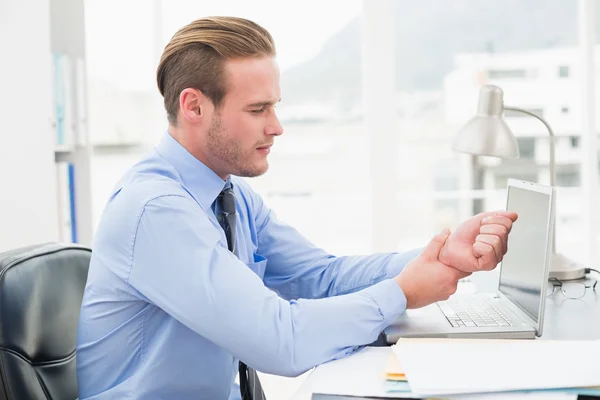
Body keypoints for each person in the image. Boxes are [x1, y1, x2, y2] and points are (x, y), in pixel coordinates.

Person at [76, 16, 518, 400]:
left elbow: (320, 277)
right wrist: (403, 292)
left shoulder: (230, 197)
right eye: (257, 109)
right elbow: (279, 341)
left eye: (275, 106)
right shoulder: (155, 211)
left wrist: (436, 258)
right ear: (194, 106)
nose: (276, 126)